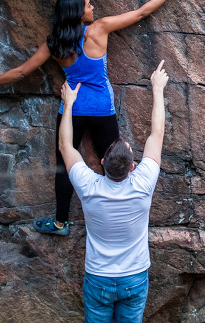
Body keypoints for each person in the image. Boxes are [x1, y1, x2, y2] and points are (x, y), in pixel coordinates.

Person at [0, 0, 195, 234]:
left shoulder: (54, 43)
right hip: (102, 109)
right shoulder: (99, 29)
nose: (92, 8)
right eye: (88, 5)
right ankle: (122, 211)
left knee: (64, 164)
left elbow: (21, 72)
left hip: (72, 108)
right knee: (114, 161)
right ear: (78, 14)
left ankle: (60, 222)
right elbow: (141, 13)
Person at [59, 61, 167, 323]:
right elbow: (157, 134)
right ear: (132, 167)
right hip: (134, 276)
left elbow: (66, 146)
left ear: (102, 163)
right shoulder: (143, 183)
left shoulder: (89, 186)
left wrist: (69, 103)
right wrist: (157, 89)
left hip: (99, 278)